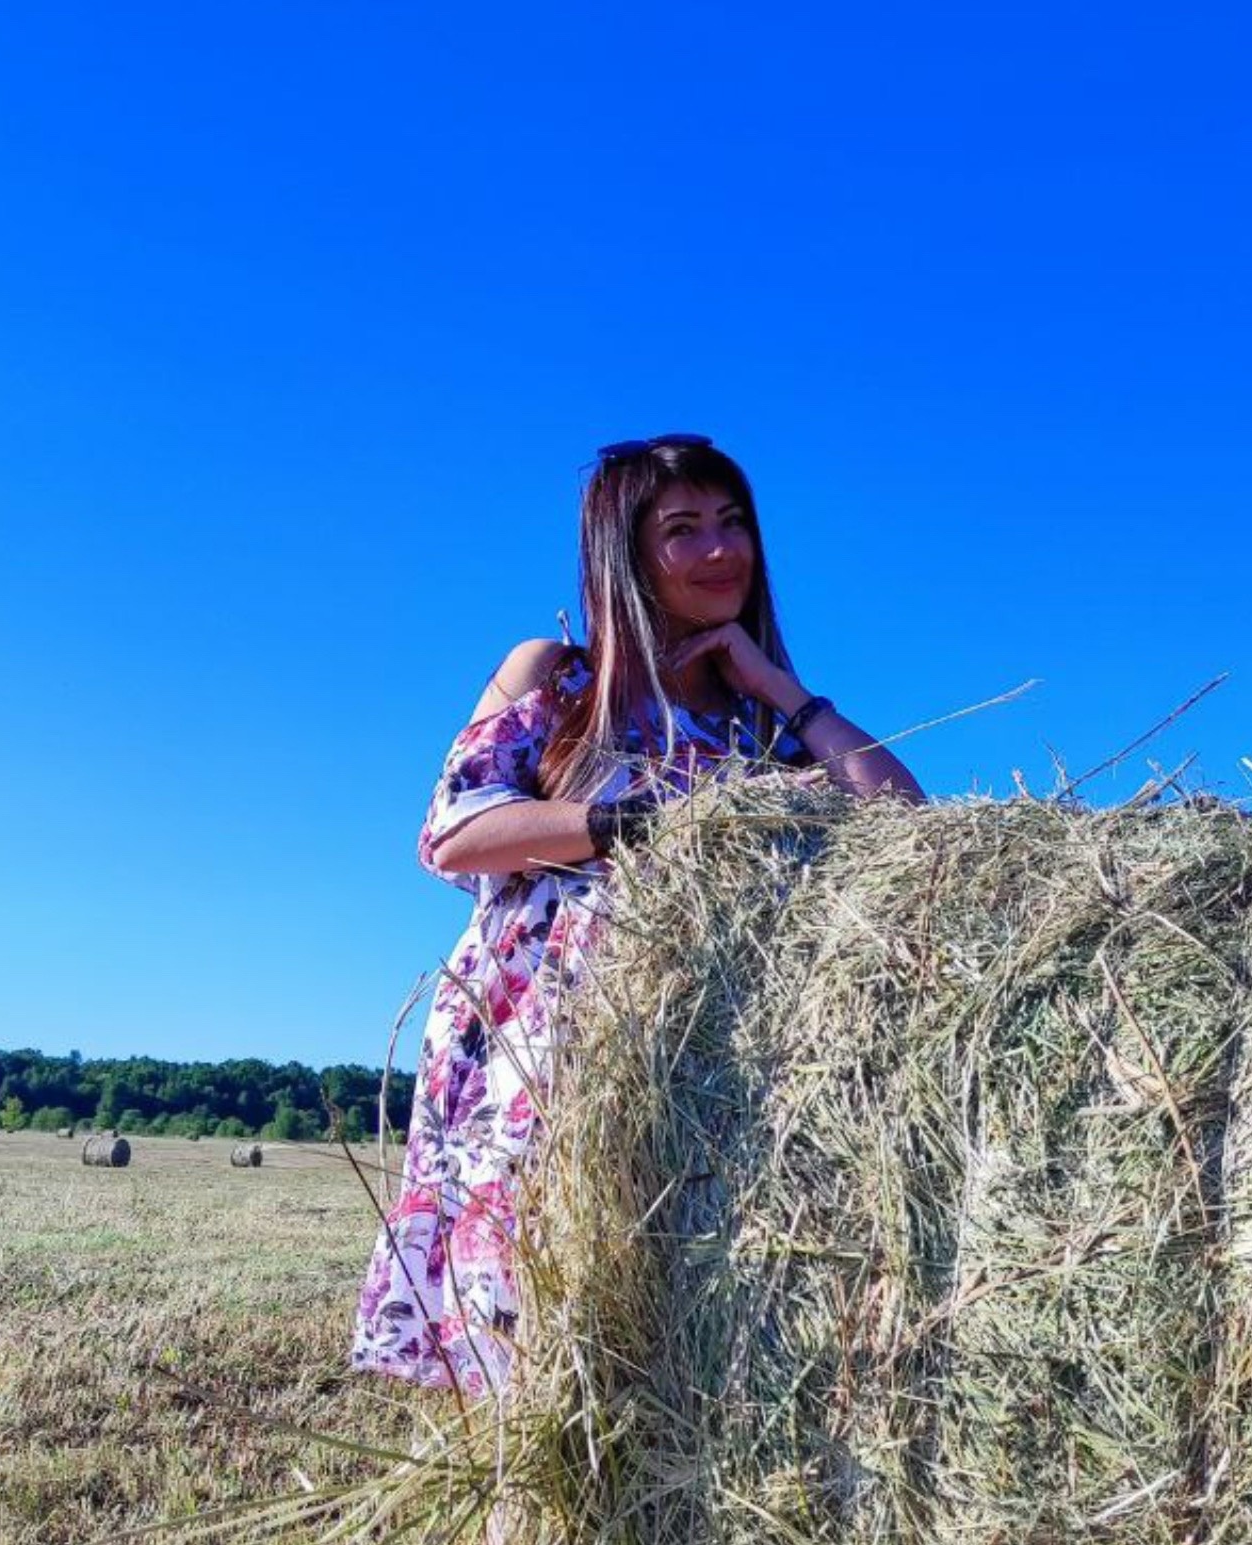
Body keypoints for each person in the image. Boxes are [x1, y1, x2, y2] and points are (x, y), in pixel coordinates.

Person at [350, 433, 924, 1404]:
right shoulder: (559, 678)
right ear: (626, 554)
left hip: (700, 1062)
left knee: (664, 1358)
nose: (720, 552)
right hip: (545, 1055)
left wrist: (784, 691)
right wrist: (637, 822)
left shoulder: (762, 726)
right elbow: (456, 832)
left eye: (733, 523)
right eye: (684, 530)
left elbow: (909, 826)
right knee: (536, 1344)